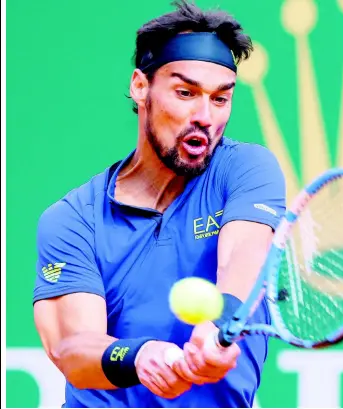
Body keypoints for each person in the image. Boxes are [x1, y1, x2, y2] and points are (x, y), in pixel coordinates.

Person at [33, 0, 286, 407]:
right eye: (185, 93)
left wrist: (222, 317)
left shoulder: (246, 168)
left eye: (221, 99)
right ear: (140, 86)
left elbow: (246, 253)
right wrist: (140, 356)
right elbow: (72, 349)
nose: (205, 116)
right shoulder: (72, 219)